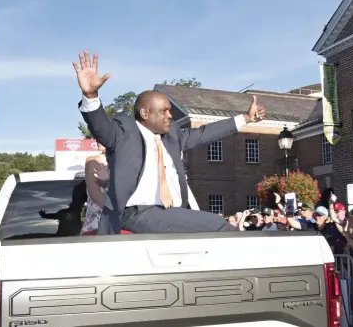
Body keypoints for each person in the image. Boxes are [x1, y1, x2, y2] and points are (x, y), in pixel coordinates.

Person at [73, 51, 265, 235]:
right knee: (218, 225)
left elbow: (206, 133)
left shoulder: (173, 135)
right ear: (145, 113)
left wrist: (246, 118)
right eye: (164, 111)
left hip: (172, 212)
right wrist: (91, 95)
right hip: (135, 212)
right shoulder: (124, 133)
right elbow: (100, 126)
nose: (170, 115)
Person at [81, 144, 109, 234]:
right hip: (97, 226)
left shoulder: (125, 161)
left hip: (121, 226)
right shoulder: (94, 161)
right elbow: (97, 197)